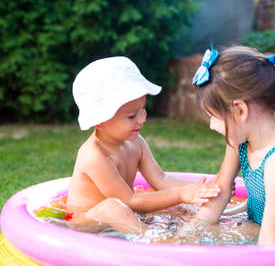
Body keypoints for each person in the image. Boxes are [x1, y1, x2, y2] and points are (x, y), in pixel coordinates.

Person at [67, 56, 220, 234]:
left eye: (143, 109)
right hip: (87, 222)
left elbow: (161, 180)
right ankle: (151, 240)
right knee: (111, 207)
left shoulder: (137, 143)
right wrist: (180, 194)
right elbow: (129, 201)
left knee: (175, 207)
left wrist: (197, 190)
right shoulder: (94, 156)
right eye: (132, 116)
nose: (142, 119)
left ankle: (196, 230)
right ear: (100, 121)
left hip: (125, 212)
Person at [191, 45, 275, 245]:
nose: (211, 126)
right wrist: (191, 232)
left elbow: (269, 243)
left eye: (212, 116)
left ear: (240, 111)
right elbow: (221, 190)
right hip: (256, 224)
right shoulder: (240, 142)